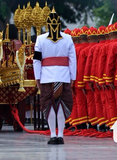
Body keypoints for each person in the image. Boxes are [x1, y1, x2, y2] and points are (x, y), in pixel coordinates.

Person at [33, 8, 77, 145]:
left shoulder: (40, 39)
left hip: (47, 76)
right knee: (62, 105)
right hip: (63, 76)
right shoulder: (68, 38)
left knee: (49, 105)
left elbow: (36, 60)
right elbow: (72, 59)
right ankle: (60, 135)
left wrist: (37, 77)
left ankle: (53, 134)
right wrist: (72, 77)